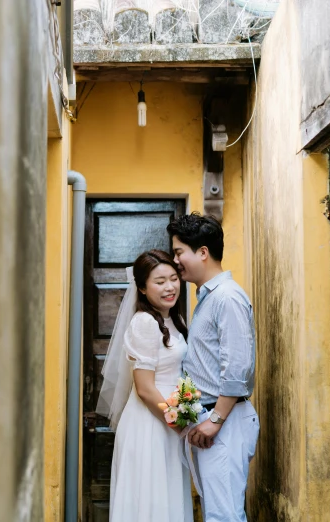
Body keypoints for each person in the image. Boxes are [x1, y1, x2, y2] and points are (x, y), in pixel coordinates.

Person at [167, 212, 258, 522]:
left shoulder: (227, 297)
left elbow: (237, 367)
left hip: (226, 421)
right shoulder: (207, 297)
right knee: (217, 514)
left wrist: (215, 420)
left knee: (224, 517)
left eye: (179, 252)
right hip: (213, 419)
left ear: (202, 252)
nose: (175, 260)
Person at [96, 250, 193, 522]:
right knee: (149, 501)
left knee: (167, 497)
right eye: (159, 281)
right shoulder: (144, 323)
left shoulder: (175, 320)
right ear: (141, 286)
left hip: (167, 421)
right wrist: (177, 421)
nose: (170, 287)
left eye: (174, 278)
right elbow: (144, 388)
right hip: (150, 423)